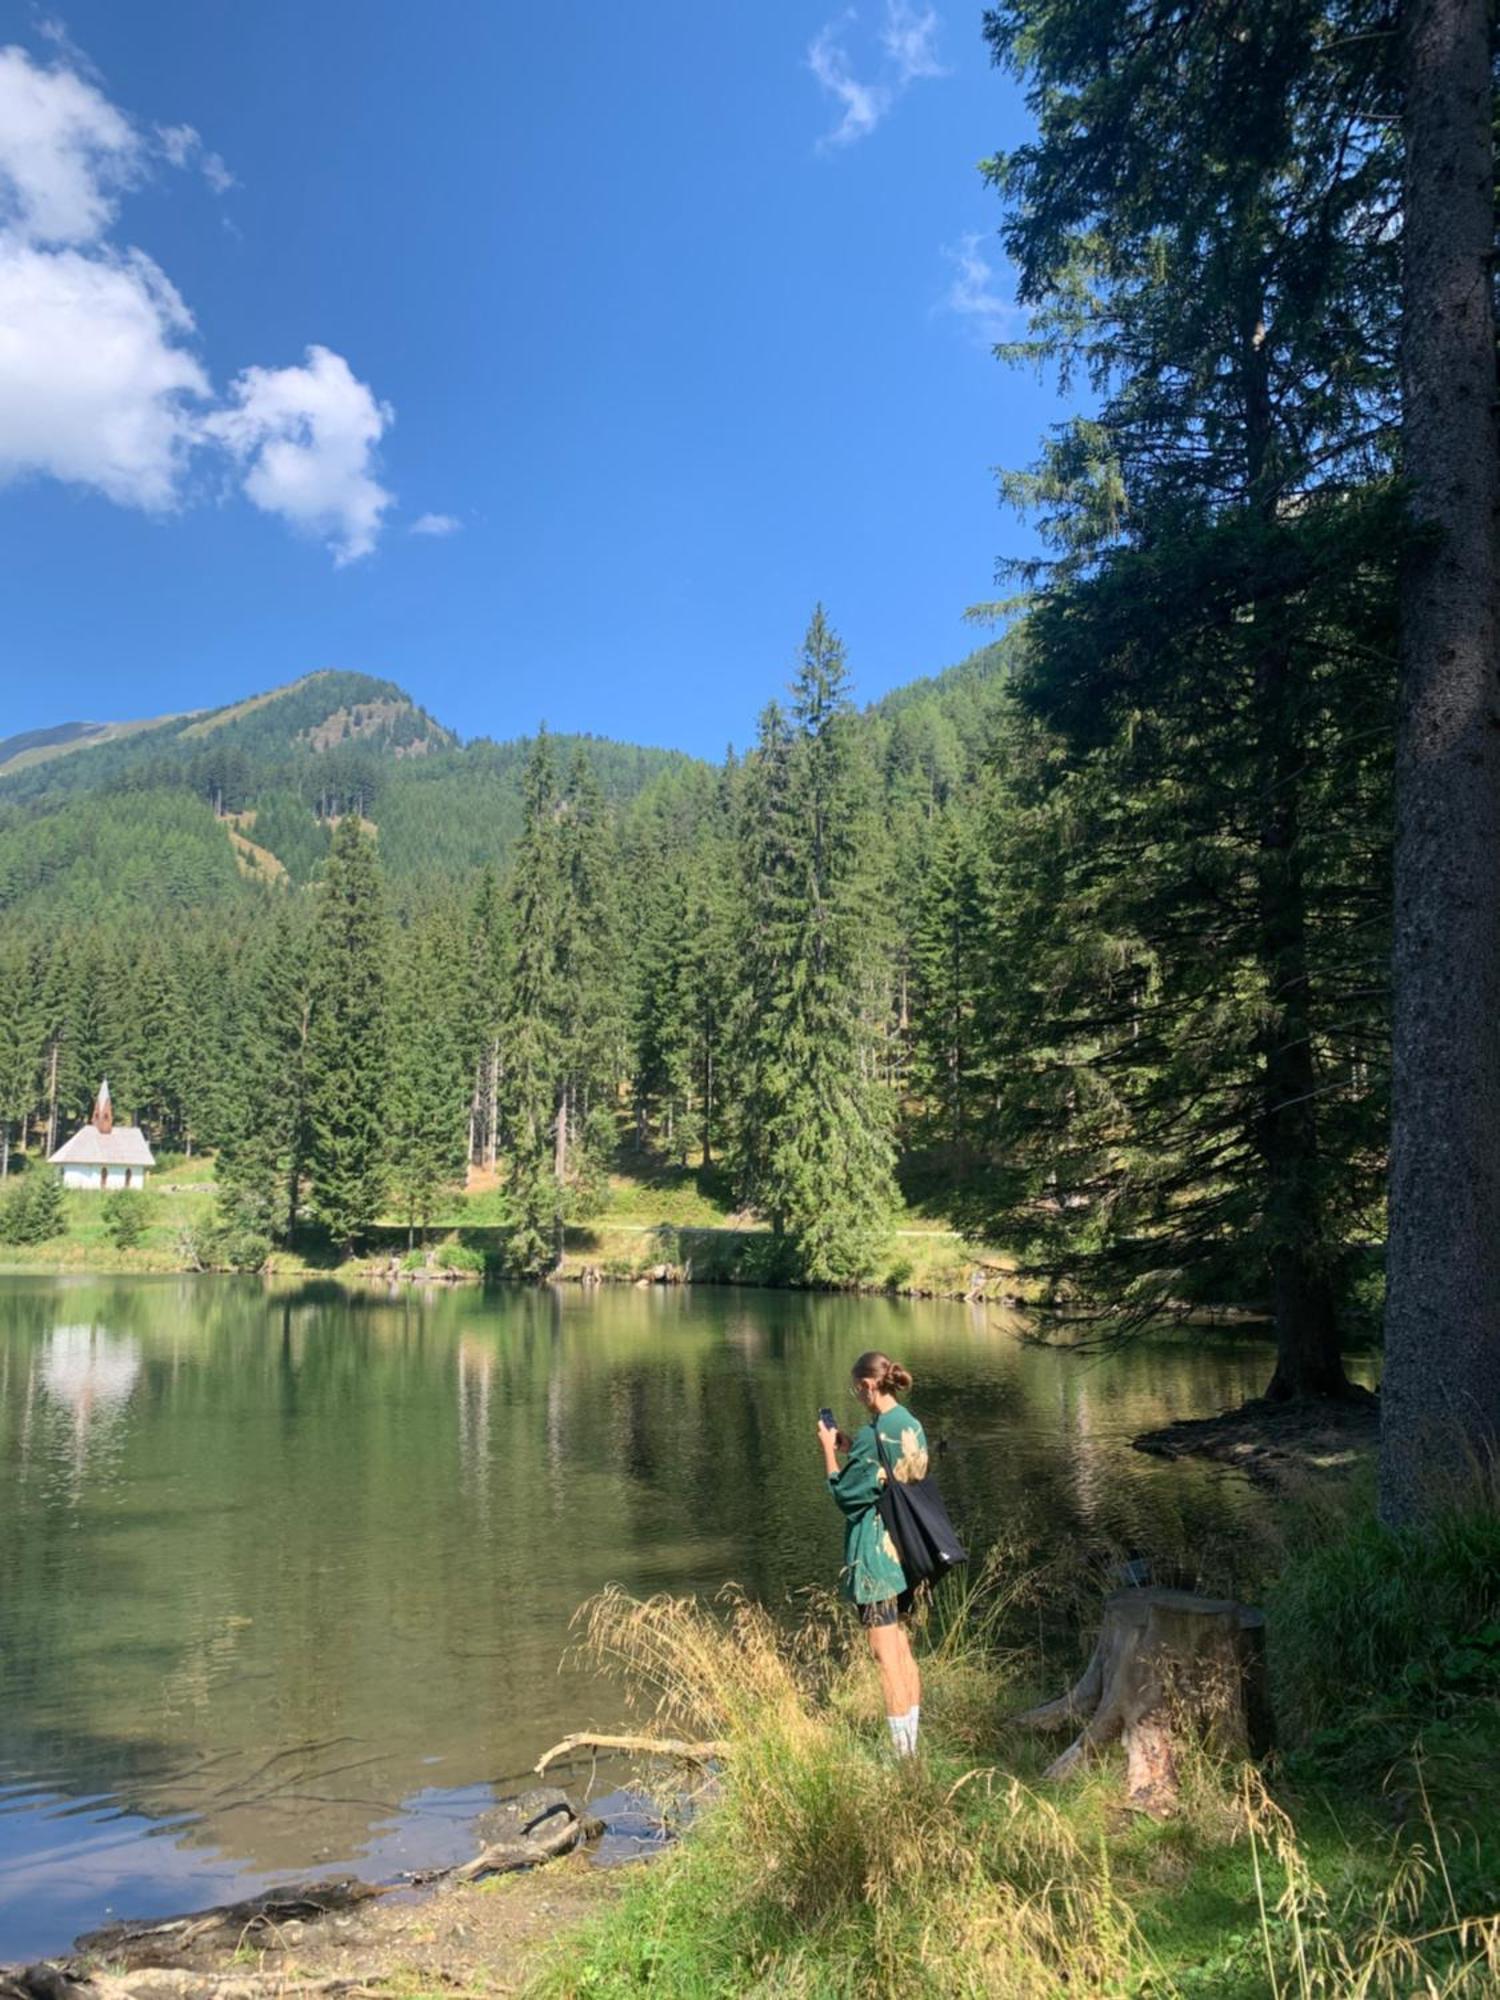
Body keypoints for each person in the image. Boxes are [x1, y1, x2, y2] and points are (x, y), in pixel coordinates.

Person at [818, 1350, 928, 1757]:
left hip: (876, 1558)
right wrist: (854, 1450)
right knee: (903, 1648)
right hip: (908, 1552)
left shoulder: (873, 1434)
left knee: (886, 1658)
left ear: (868, 1386)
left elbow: (845, 1496)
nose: (856, 1395)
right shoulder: (909, 1424)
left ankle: (903, 1758)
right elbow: (892, 1474)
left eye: (856, 1389)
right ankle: (914, 1745)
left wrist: (830, 1451)